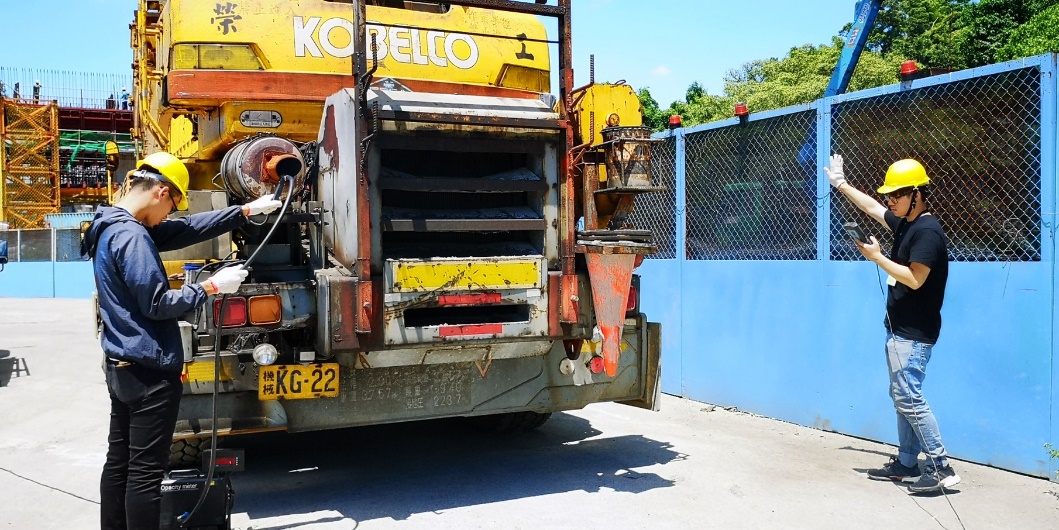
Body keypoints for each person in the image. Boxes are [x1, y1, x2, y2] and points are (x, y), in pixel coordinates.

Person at [80, 151, 282, 529]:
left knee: (119, 464)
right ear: (160, 191)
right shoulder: (132, 236)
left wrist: (244, 212)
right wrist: (211, 286)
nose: (169, 216)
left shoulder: (109, 225)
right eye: (172, 204)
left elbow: (185, 230)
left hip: (122, 370)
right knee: (144, 476)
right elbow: (157, 303)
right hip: (150, 374)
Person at [824, 154, 960, 494]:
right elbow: (871, 208)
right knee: (901, 395)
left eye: (896, 195)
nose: (890, 202)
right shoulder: (908, 224)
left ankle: (941, 466)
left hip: (913, 335)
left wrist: (878, 257)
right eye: (889, 195)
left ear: (916, 194)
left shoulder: (927, 232)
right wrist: (840, 184)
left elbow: (915, 279)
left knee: (909, 397)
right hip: (899, 330)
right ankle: (907, 462)